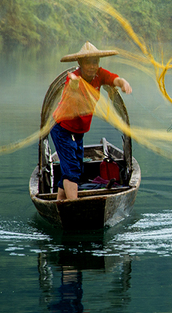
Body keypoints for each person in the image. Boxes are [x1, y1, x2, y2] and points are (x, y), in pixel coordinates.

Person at [51, 41, 132, 201]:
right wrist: (74, 85)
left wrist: (123, 83)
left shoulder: (99, 74)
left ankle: (60, 202)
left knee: (74, 169)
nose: (92, 66)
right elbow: (71, 91)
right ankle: (74, 207)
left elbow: (113, 79)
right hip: (62, 129)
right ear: (80, 63)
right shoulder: (73, 78)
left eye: (95, 62)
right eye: (88, 62)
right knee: (72, 170)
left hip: (79, 132)